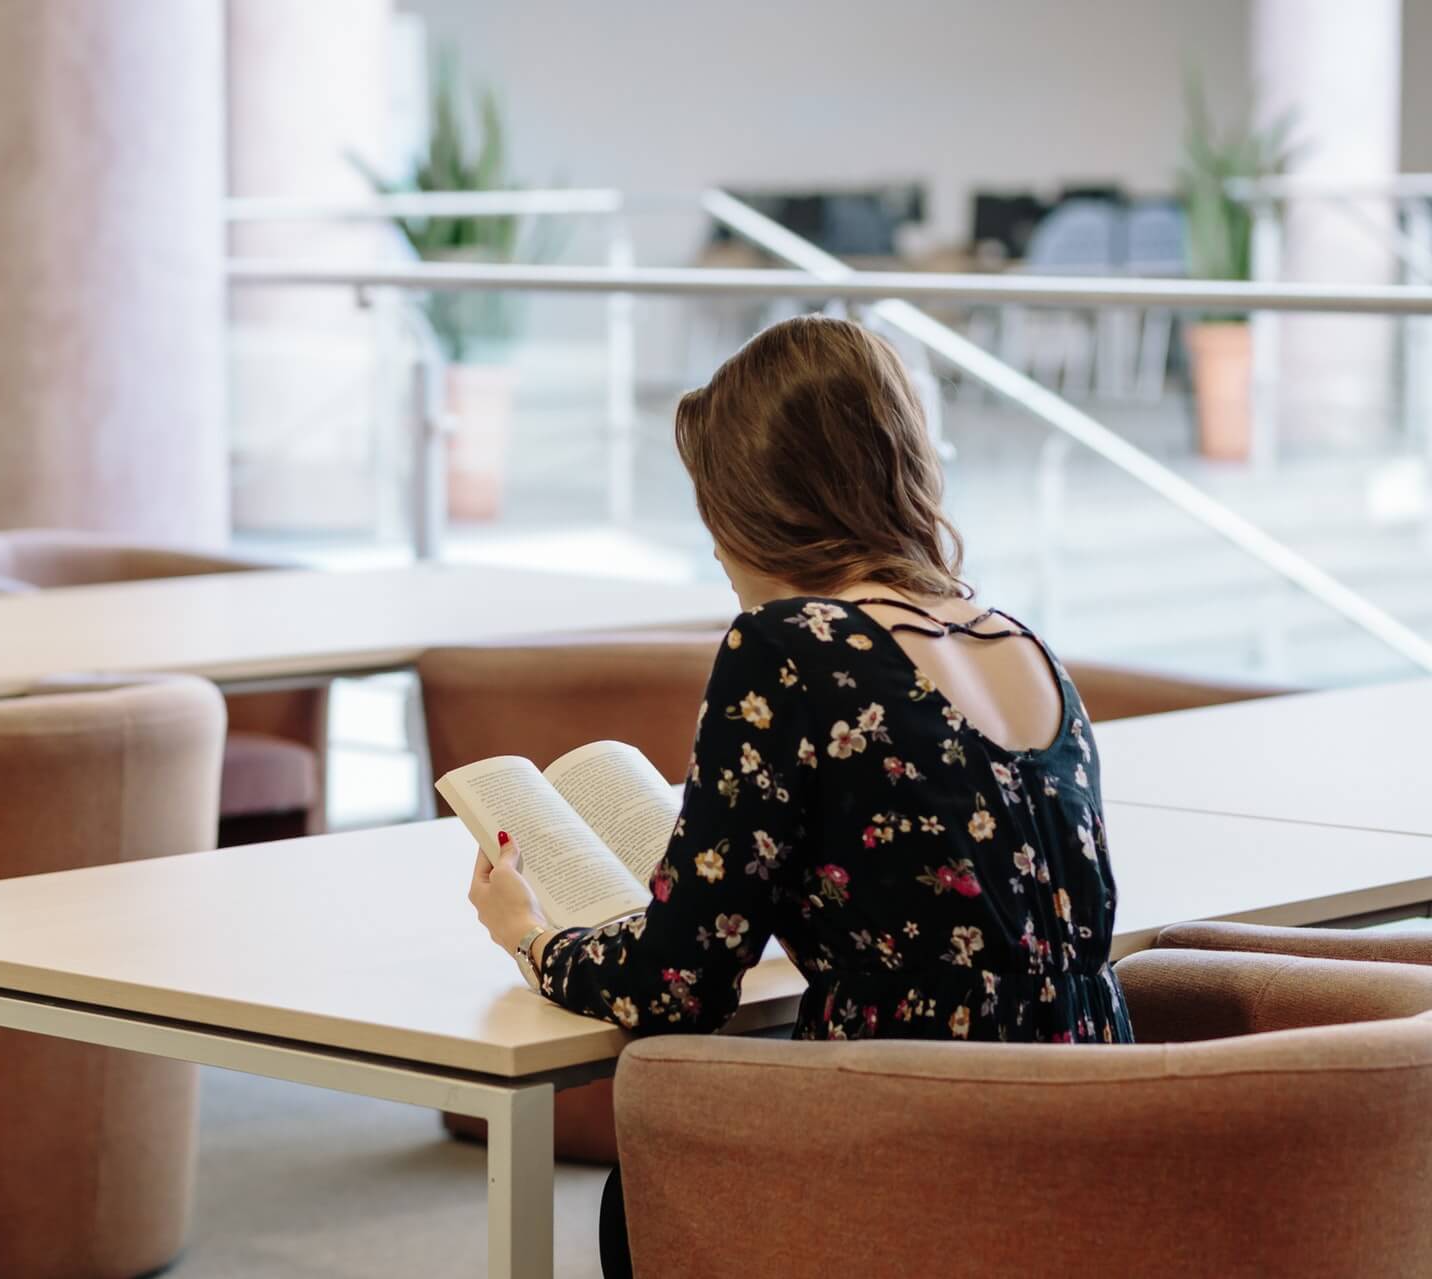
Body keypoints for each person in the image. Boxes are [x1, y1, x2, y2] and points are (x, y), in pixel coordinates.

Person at [467, 315, 1132, 1278]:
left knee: (640, 1189)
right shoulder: (1022, 642)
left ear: (760, 504)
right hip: (1105, 1132)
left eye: (715, 516)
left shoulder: (786, 643)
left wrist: (531, 936)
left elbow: (677, 987)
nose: (714, 553)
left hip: (922, 1136)